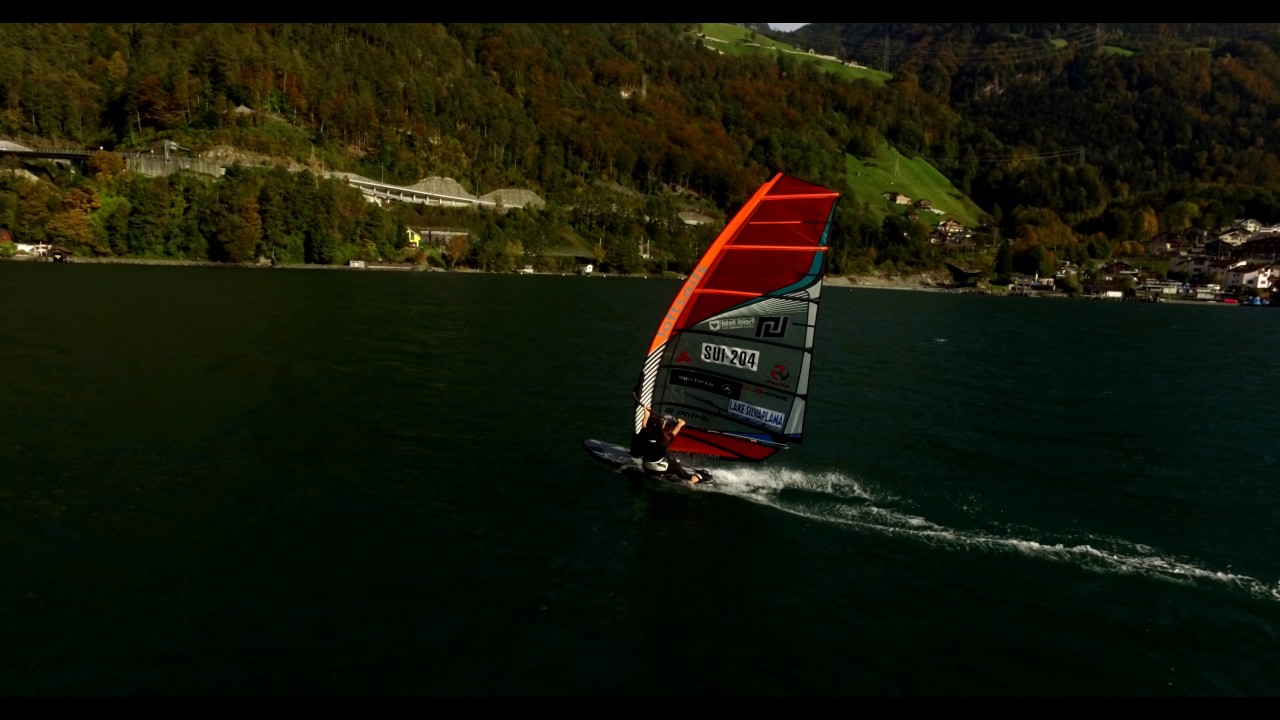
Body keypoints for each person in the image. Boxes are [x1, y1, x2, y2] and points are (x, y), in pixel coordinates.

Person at [629, 405, 702, 485]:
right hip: (658, 469)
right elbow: (674, 432)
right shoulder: (664, 440)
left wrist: (646, 413)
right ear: (661, 427)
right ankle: (692, 478)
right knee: (676, 465)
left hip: (646, 467)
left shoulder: (644, 433)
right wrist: (680, 424)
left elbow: (644, 423)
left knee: (665, 455)